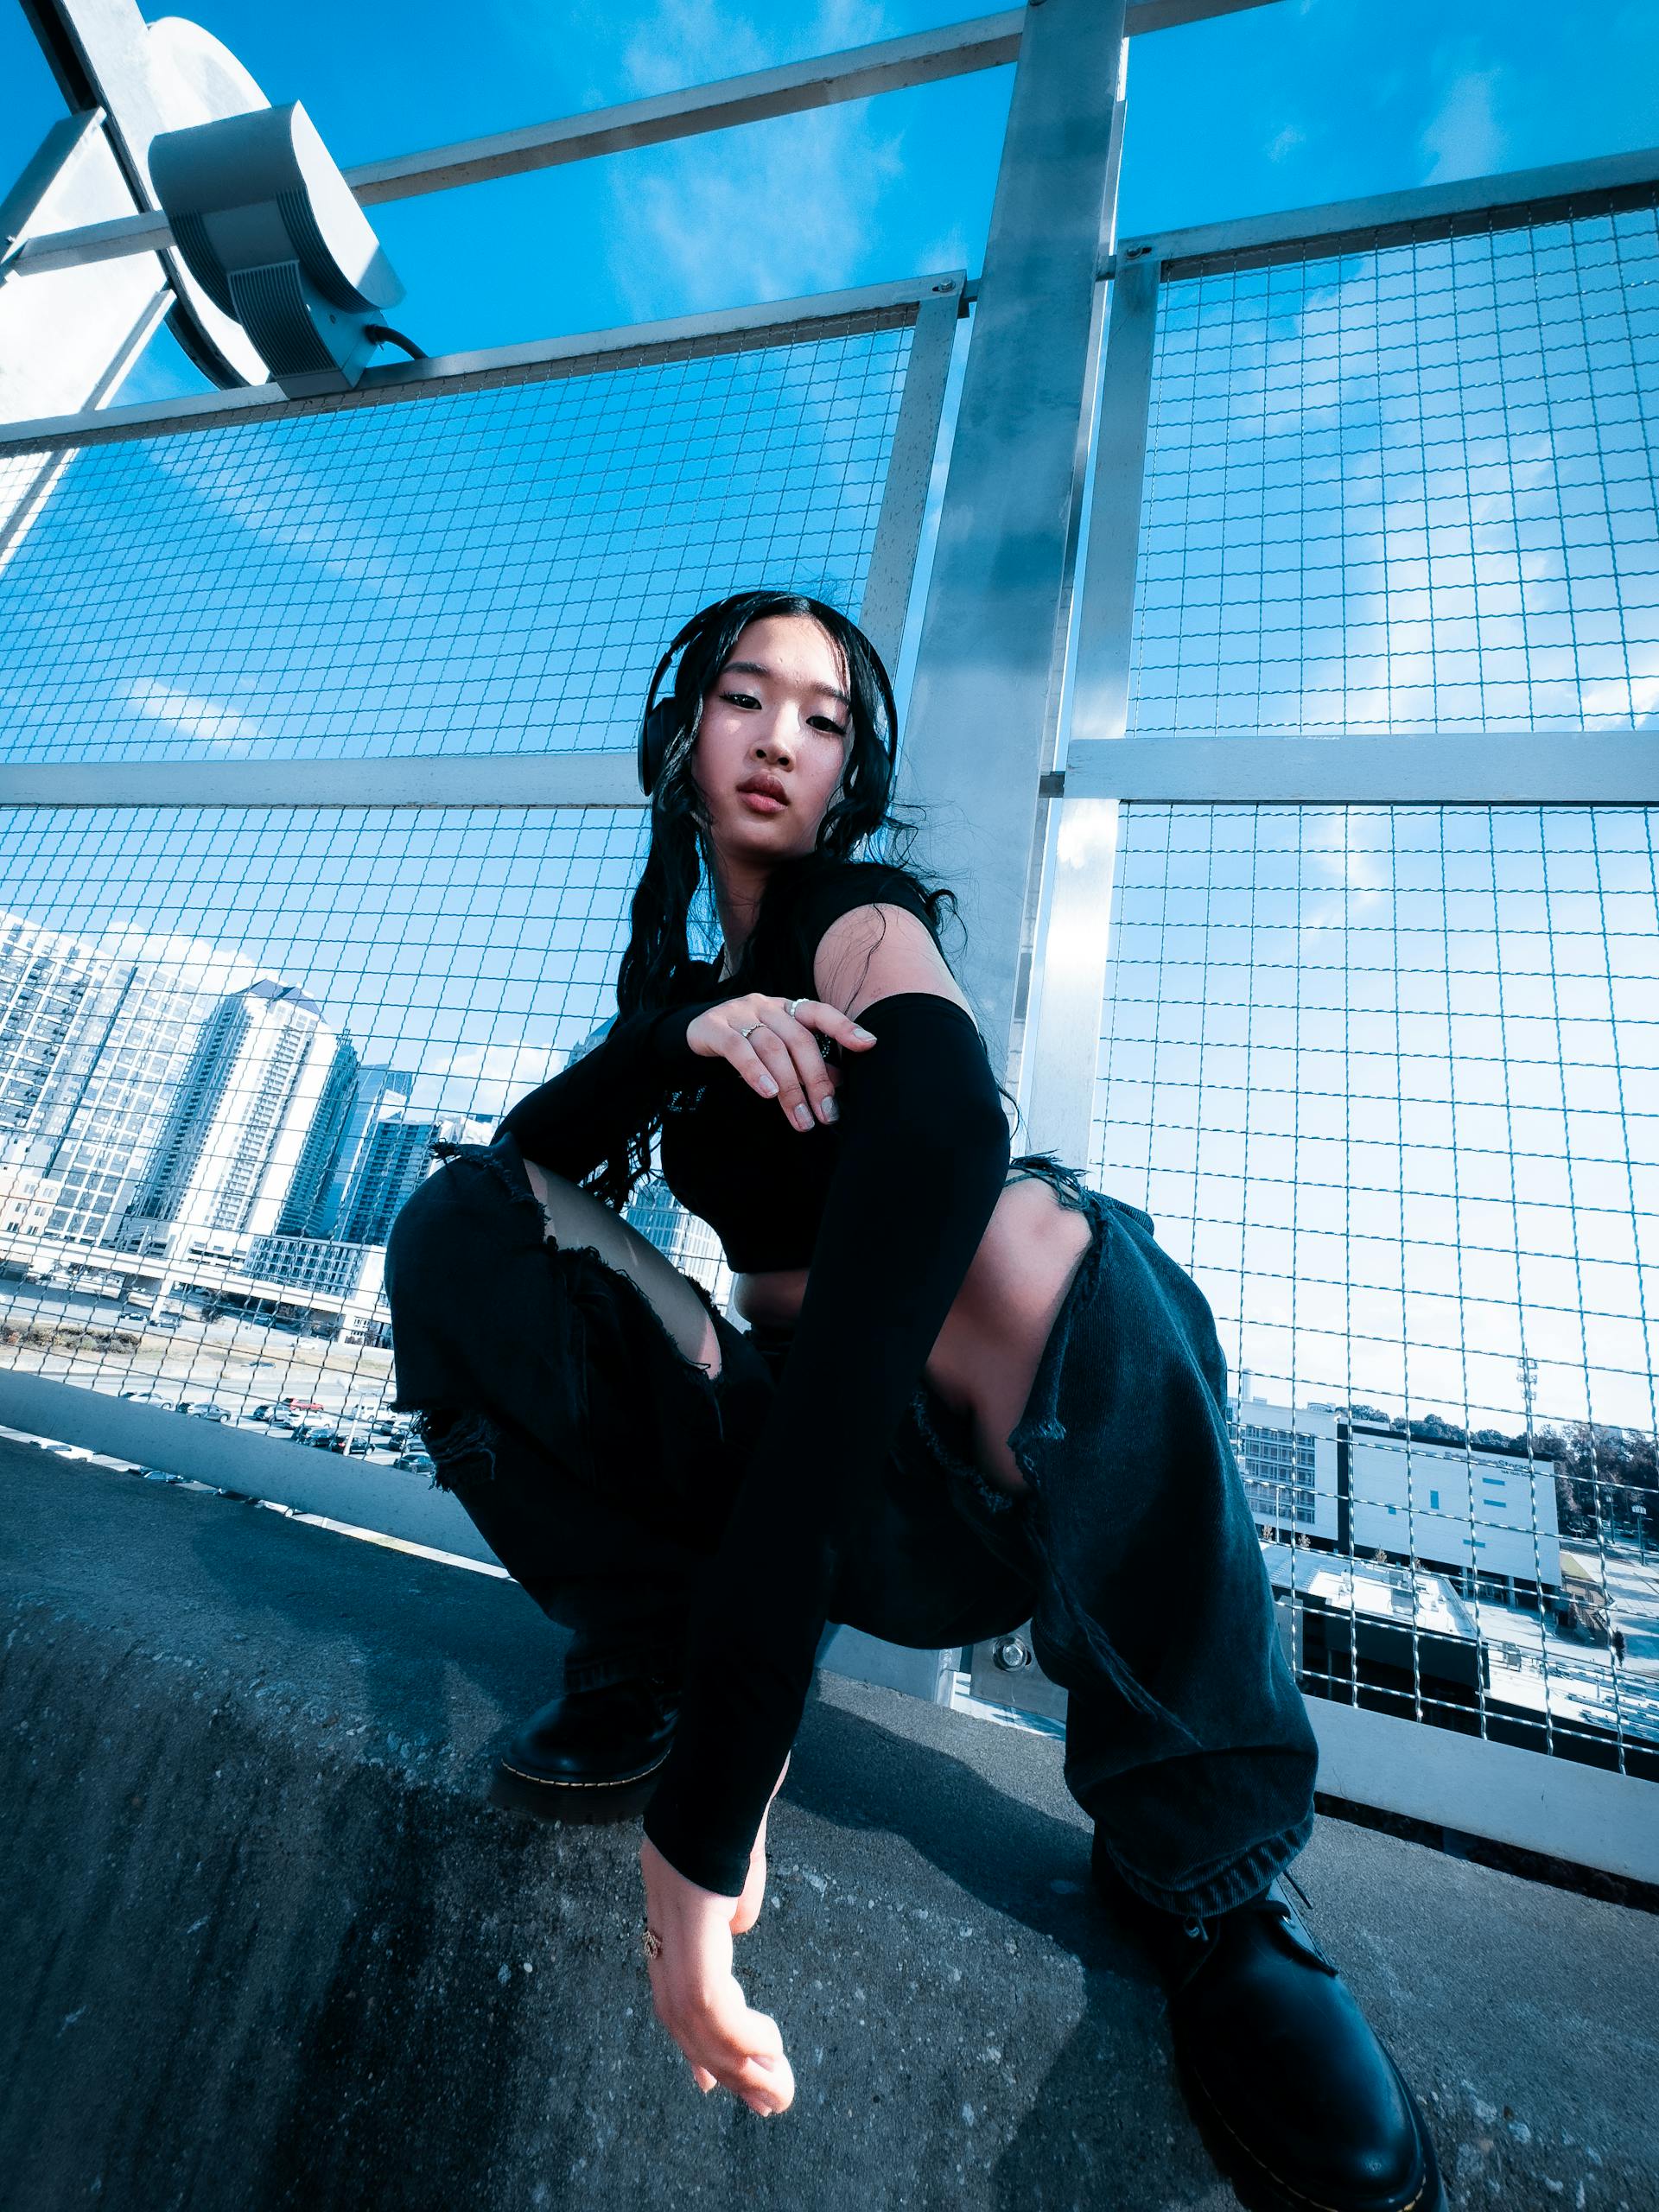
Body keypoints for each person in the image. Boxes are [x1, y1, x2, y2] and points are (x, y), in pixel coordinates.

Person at [384, 589, 1445, 2212]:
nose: (780, 739)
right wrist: (684, 1031)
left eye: (821, 719)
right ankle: (647, 1650)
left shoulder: (856, 916)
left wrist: (736, 1749)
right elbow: (543, 1153)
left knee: (1049, 1236)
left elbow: (946, 1116)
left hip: (954, 1476)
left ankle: (1213, 1876)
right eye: (748, 700)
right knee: (461, 1213)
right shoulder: (691, 975)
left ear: (847, 773)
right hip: (778, 1457)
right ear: (687, 737)